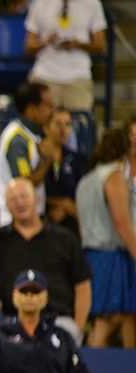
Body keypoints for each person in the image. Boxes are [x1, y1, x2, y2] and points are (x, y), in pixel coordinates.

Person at [0, 179, 91, 345]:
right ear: (6, 205)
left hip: (58, 322)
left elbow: (82, 286)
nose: (19, 202)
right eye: (13, 199)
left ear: (37, 199)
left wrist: (78, 327)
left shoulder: (65, 239)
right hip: (11, 322)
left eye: (24, 196)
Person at [76, 128, 136, 348]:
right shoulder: (114, 175)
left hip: (92, 253)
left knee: (124, 316)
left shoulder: (86, 180)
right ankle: (93, 369)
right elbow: (122, 222)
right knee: (108, 320)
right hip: (111, 255)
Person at [25, 0, 107, 112]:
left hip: (78, 76)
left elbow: (100, 45)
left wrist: (78, 44)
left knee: (80, 123)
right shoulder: (39, 3)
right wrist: (46, 41)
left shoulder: (93, 3)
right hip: (45, 75)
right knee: (37, 124)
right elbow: (29, 47)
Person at [0, 82, 57, 225]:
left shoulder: (34, 135)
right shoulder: (17, 139)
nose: (52, 110)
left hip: (29, 218)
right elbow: (24, 184)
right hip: (13, 221)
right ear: (31, 109)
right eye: (47, 105)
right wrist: (46, 160)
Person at [44, 108, 87, 235]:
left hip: (70, 225)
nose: (63, 130)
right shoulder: (35, 155)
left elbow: (81, 193)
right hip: (43, 220)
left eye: (67, 124)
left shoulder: (77, 159)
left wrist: (68, 208)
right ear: (46, 127)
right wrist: (62, 203)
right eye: (58, 124)